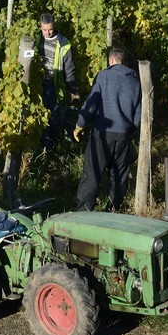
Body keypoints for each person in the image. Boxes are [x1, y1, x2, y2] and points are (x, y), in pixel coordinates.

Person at [74, 49, 142, 212]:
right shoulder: (136, 83)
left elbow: (91, 103)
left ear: (111, 60)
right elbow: (139, 116)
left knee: (92, 173)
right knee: (119, 176)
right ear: (124, 62)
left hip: (101, 135)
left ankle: (85, 210)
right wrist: (130, 132)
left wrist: (80, 124)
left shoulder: (103, 77)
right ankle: (112, 209)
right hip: (123, 137)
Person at [38, 11, 78, 143]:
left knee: (54, 116)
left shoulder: (64, 44)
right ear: (40, 27)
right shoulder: (36, 41)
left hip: (55, 85)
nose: (48, 33)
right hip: (38, 85)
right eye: (45, 30)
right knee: (40, 115)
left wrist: (73, 89)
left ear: (54, 27)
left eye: (50, 29)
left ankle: (53, 144)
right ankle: (44, 144)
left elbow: (69, 68)